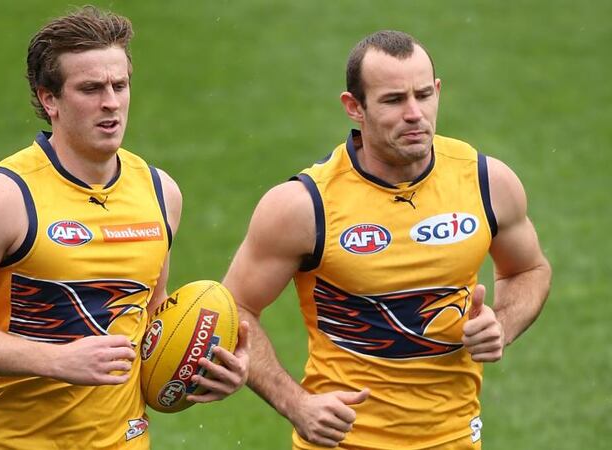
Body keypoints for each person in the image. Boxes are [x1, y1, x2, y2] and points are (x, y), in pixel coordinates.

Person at [0, 6, 248, 449]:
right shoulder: (5, 197)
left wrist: (204, 366)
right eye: (90, 88)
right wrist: (55, 359)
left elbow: (151, 316)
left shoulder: (160, 192)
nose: (110, 101)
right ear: (50, 99)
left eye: (119, 85)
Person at [223, 30, 551, 449]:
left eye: (423, 95)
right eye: (394, 100)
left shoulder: (487, 182)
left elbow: (530, 269)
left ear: (437, 91)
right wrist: (298, 404)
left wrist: (501, 327)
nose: (414, 113)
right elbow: (234, 308)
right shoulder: (304, 206)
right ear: (354, 107)